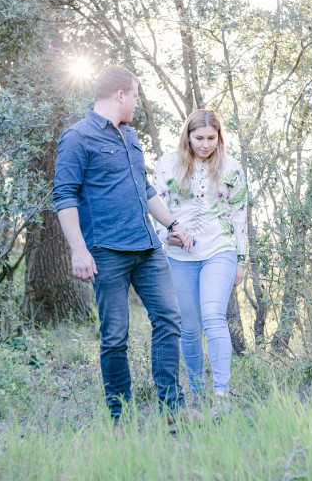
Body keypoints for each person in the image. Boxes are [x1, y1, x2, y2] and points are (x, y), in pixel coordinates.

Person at [52, 65, 193, 424]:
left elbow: (145, 190)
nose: (135, 103)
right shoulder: (77, 137)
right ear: (120, 94)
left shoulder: (131, 137)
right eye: (134, 95)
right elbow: (64, 195)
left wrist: (173, 224)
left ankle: (171, 412)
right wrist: (78, 250)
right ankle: (121, 419)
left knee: (169, 320)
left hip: (147, 248)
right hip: (106, 252)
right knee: (115, 336)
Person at [152, 109, 247, 418]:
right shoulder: (166, 165)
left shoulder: (231, 168)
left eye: (211, 138)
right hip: (180, 255)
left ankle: (222, 394)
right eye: (199, 138)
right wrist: (167, 237)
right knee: (189, 326)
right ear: (187, 137)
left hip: (219, 249)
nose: (206, 145)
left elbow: (240, 215)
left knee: (212, 315)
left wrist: (241, 260)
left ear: (219, 138)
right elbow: (154, 208)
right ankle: (196, 392)